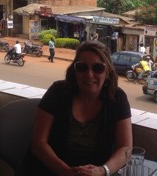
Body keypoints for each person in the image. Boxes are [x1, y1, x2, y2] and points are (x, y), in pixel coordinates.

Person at [23, 40, 133, 176]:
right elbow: (39, 144)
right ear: (74, 71)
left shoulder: (117, 98)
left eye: (98, 68)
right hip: (49, 171)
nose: (89, 74)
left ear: (108, 72)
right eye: (82, 67)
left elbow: (125, 148)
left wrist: (103, 171)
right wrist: (67, 172)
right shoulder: (58, 92)